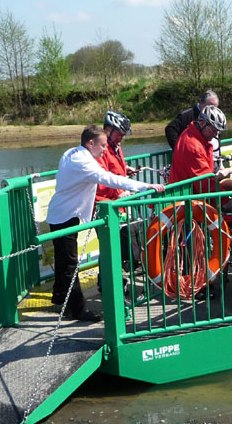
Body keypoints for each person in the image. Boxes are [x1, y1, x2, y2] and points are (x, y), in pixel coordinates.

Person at [47, 126, 165, 322]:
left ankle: (59, 297)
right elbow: (109, 179)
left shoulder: (72, 153)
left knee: (63, 260)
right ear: (90, 143)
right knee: (69, 263)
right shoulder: (82, 162)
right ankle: (78, 310)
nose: (104, 149)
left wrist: (124, 170)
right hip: (64, 216)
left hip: (63, 213)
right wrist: (145, 186)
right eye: (102, 145)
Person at [167, 104, 228, 194]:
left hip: (190, 193)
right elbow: (204, 183)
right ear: (202, 123)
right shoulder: (193, 146)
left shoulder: (194, 134)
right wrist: (226, 202)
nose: (215, 135)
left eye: (217, 131)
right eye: (213, 130)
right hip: (186, 199)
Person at [95, 110, 136, 206]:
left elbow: (113, 167)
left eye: (123, 136)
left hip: (119, 198)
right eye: (119, 134)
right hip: (106, 202)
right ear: (108, 130)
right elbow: (103, 178)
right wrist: (119, 194)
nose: (120, 138)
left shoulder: (116, 146)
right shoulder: (101, 149)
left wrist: (125, 169)